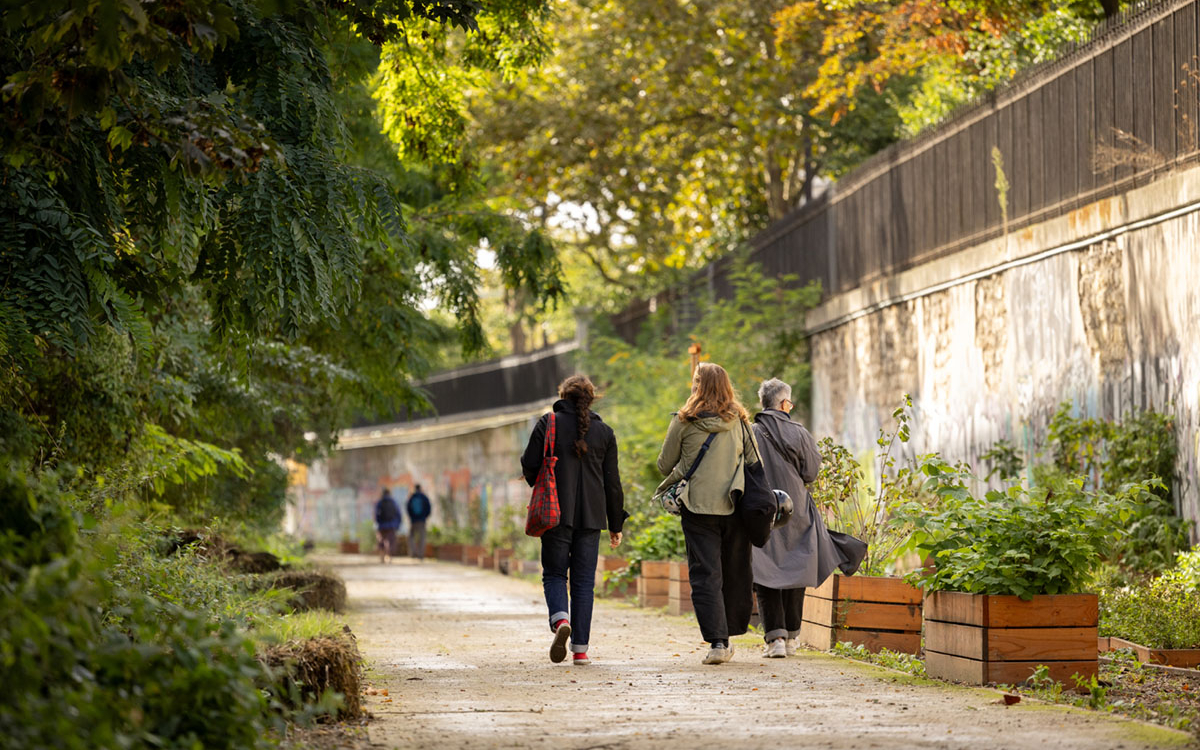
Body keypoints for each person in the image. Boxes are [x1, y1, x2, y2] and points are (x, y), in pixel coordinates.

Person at [750, 378, 866, 658]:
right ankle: (791, 637)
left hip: (762, 510)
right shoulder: (798, 432)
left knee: (765, 572)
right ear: (784, 403)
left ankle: (774, 639)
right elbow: (811, 472)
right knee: (795, 568)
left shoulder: (750, 432)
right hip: (795, 510)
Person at [655, 362, 760, 665]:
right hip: (735, 506)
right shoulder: (740, 423)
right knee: (734, 571)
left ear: (697, 386)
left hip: (697, 507)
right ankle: (729, 633)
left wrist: (687, 464)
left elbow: (664, 466)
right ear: (727, 387)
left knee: (706, 574)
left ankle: (717, 642)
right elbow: (755, 462)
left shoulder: (683, 422)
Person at [521, 375, 627, 666]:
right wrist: (616, 525)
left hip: (555, 513)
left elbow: (529, 462)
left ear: (563, 396)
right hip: (591, 518)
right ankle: (580, 650)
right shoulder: (605, 432)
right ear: (591, 399)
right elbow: (613, 483)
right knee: (583, 584)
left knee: (554, 574)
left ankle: (560, 619)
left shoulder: (548, 423)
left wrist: (539, 480)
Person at [374, 489, 403, 563]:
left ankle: (382, 557)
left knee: (382, 541)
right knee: (391, 542)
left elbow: (376, 514)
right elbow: (398, 514)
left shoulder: (380, 502)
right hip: (391, 525)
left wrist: (378, 523)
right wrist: (397, 524)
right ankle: (389, 557)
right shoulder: (394, 502)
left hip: (382, 526)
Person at [406, 484, 431, 560]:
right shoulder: (424, 497)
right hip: (422, 521)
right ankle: (421, 554)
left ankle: (413, 552)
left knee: (411, 537)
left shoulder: (412, 497)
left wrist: (411, 517)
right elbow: (429, 508)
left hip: (413, 521)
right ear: (420, 488)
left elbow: (408, 508)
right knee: (422, 537)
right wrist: (425, 517)